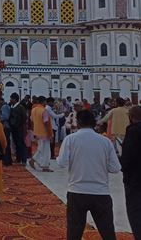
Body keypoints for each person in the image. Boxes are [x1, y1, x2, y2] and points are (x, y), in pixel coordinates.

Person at [56, 110, 121, 240]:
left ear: (78, 122)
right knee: (107, 231)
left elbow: (62, 163)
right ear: (94, 123)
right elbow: (115, 168)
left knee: (74, 232)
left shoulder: (70, 139)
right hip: (101, 192)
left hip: (77, 191)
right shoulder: (105, 141)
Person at [120, 106, 141, 238]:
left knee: (136, 212)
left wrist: (123, 168)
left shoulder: (133, 131)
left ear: (131, 117)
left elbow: (128, 157)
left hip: (135, 179)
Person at [29, 96, 53, 172]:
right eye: (45, 101)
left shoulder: (33, 110)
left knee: (41, 148)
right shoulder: (43, 110)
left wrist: (34, 131)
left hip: (37, 132)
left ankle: (37, 161)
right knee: (45, 150)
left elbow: (31, 121)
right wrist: (50, 134)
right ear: (43, 102)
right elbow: (46, 123)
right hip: (44, 132)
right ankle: (44, 165)